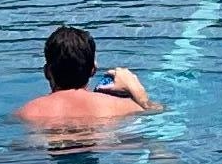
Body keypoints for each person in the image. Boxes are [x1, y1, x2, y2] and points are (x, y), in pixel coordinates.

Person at [16, 24, 153, 130]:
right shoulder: (123, 107)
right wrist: (136, 89)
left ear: (46, 72)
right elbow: (155, 113)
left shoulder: (27, 113)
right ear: (93, 70)